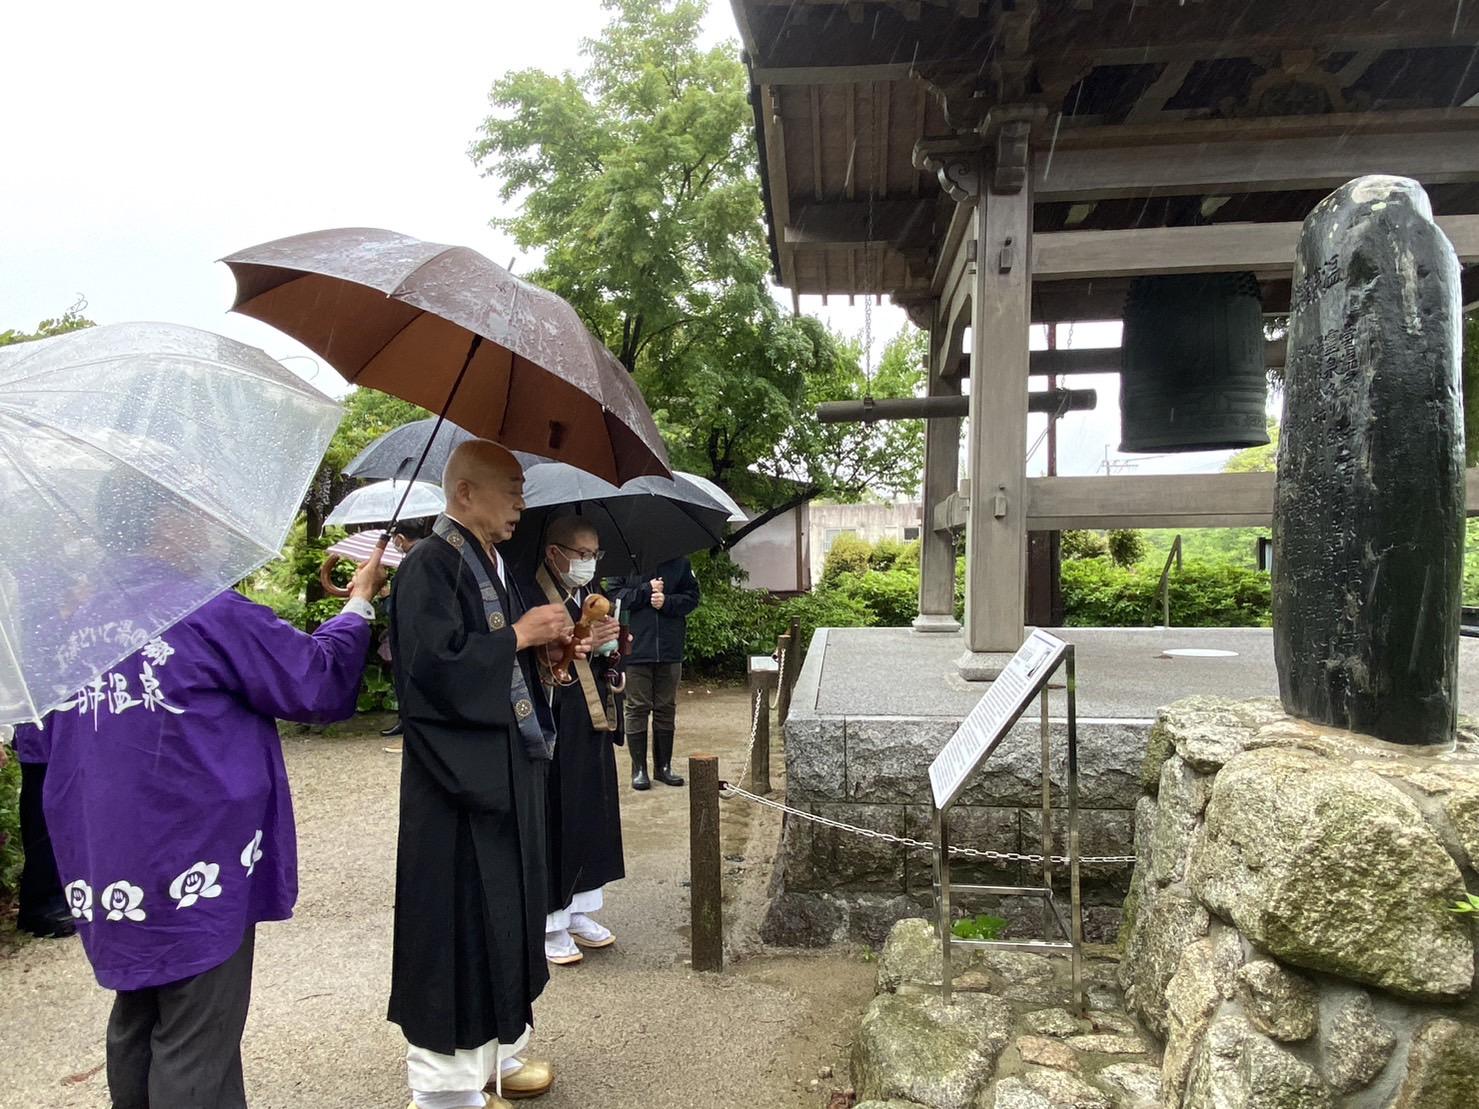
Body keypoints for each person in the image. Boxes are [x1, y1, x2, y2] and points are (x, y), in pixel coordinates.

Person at [20, 530, 385, 1108]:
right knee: (197, 1028)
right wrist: (359, 603)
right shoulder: (205, 609)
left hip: (103, 850)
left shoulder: (72, 625)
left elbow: (35, 742)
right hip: (193, 848)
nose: (210, 535)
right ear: (162, 527)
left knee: (138, 1009)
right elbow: (313, 679)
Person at [388, 439, 589, 1109]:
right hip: (456, 785)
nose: (520, 501)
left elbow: (506, 666)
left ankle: (500, 1054)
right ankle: (443, 1088)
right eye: (509, 486)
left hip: (507, 774)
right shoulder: (428, 565)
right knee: (456, 925)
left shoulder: (497, 565)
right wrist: (519, 638)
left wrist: (551, 659)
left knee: (507, 916)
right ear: (463, 493)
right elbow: (432, 675)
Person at [518, 515, 624, 967]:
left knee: (589, 808)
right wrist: (568, 646)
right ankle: (548, 920)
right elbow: (524, 654)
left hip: (588, 714)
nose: (587, 564)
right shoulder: (529, 592)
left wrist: (606, 643)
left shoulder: (587, 594)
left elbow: (602, 653)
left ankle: (580, 909)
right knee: (553, 810)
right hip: (551, 713)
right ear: (553, 552)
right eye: (580, 555)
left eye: (594, 555)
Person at [608, 557, 701, 791]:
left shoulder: (680, 563)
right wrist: (646, 590)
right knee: (636, 707)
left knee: (665, 707)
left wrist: (666, 602)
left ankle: (664, 767)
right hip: (636, 648)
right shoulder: (623, 562)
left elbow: (692, 598)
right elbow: (614, 598)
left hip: (670, 649)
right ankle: (639, 769)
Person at [7, 724, 74, 938]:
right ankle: (41, 904)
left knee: (70, 814)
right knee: (42, 816)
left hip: (72, 723)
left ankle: (63, 894)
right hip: (40, 731)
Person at [378, 517, 434, 742]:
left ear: (400, 538)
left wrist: (385, 597)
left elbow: (405, 610)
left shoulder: (416, 559)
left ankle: (409, 722)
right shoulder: (428, 553)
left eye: (394, 539)